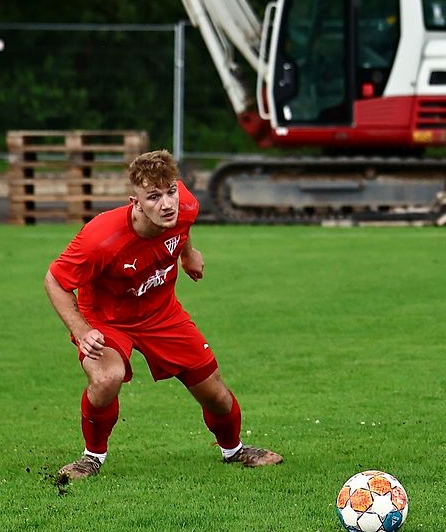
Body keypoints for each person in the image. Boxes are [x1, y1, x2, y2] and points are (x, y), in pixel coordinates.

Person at [44, 149, 282, 480]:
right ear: (136, 202)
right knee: (106, 378)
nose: (167, 204)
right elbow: (55, 281)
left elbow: (182, 226)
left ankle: (234, 450)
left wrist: (187, 254)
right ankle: (91, 457)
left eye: (170, 191)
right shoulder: (101, 237)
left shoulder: (184, 205)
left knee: (215, 393)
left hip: (161, 313)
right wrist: (83, 331)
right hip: (106, 319)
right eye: (154, 197)